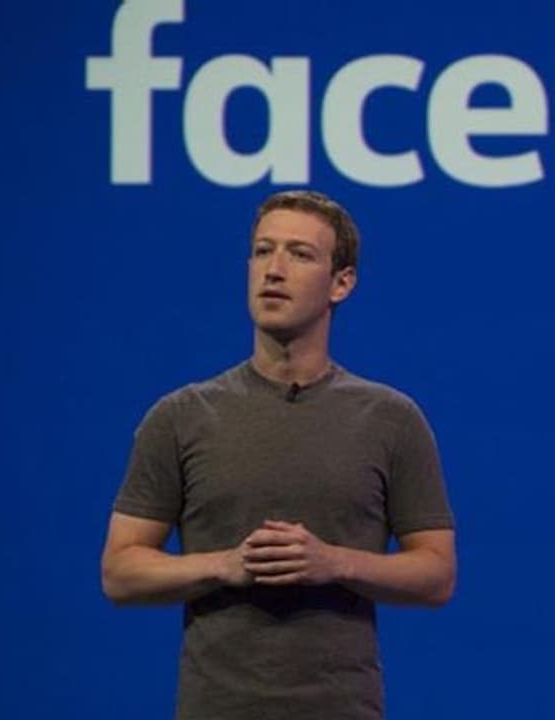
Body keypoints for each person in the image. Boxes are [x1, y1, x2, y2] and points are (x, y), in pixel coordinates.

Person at [101, 190, 456, 720]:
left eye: (300, 254)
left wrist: (332, 562)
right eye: (263, 251)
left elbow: (436, 574)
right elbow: (120, 571)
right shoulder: (180, 416)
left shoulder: (391, 419)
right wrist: (224, 565)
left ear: (341, 283)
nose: (274, 270)